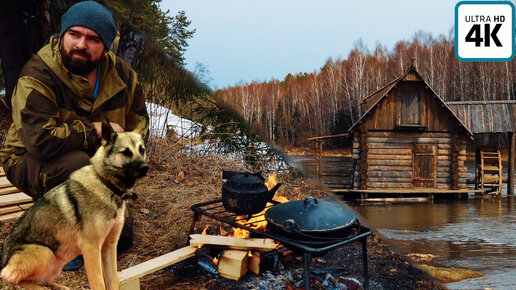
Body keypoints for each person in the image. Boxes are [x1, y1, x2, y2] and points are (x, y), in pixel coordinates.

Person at [0, 1, 149, 270]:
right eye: (74, 34)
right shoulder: (37, 75)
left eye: (93, 39)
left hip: (94, 159)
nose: (81, 44)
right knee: (78, 165)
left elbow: (138, 126)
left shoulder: (124, 76)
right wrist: (95, 131)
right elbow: (40, 142)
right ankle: (57, 234)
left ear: (105, 46)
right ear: (62, 36)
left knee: (122, 239)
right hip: (29, 159)